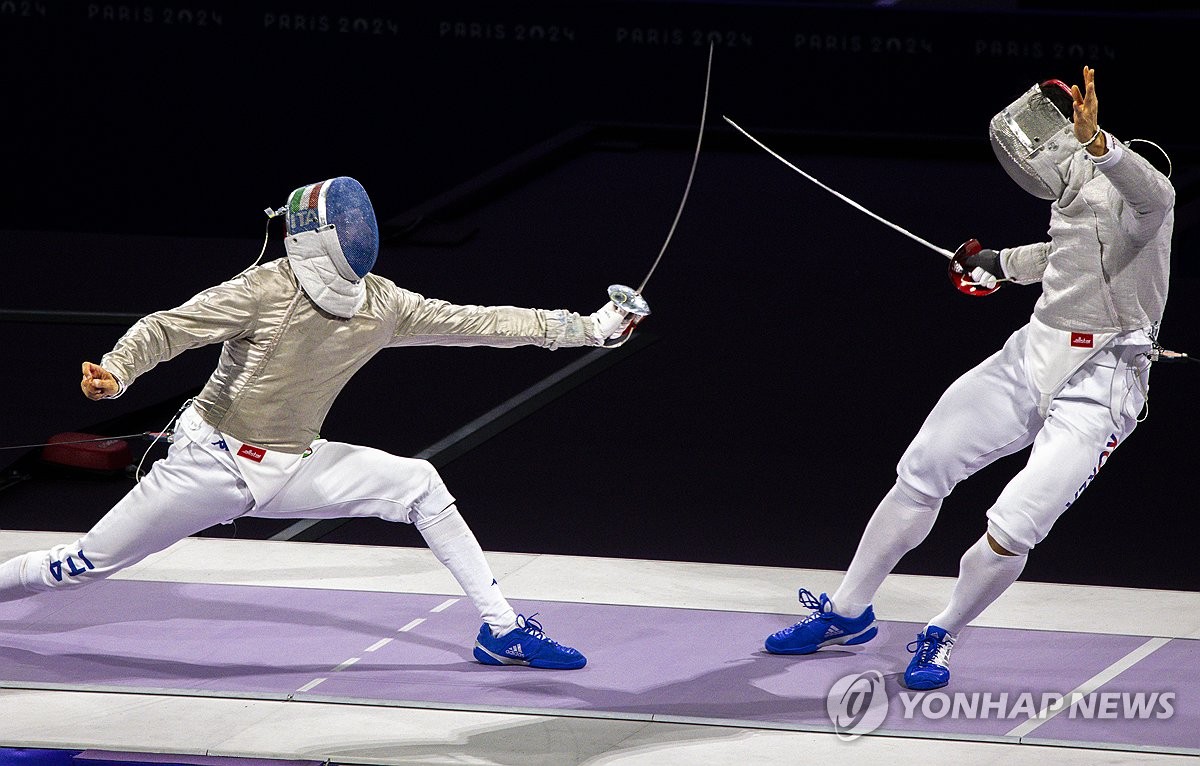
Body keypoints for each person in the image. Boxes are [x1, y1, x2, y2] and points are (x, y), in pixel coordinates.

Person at [0, 176, 642, 670]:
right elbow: (169, 328)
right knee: (79, 564)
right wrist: (119, 367)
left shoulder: (375, 303)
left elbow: (481, 323)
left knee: (418, 483)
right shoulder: (278, 292)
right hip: (208, 467)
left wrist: (586, 329)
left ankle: (500, 631)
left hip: (290, 464)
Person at [763, 66, 1174, 689]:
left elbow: (1156, 196)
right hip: (1032, 354)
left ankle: (944, 630)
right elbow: (1061, 256)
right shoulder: (1077, 195)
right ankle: (848, 611)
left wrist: (1099, 144)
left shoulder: (1145, 200)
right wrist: (992, 265)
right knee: (922, 469)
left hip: (1103, 384)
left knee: (1015, 525)